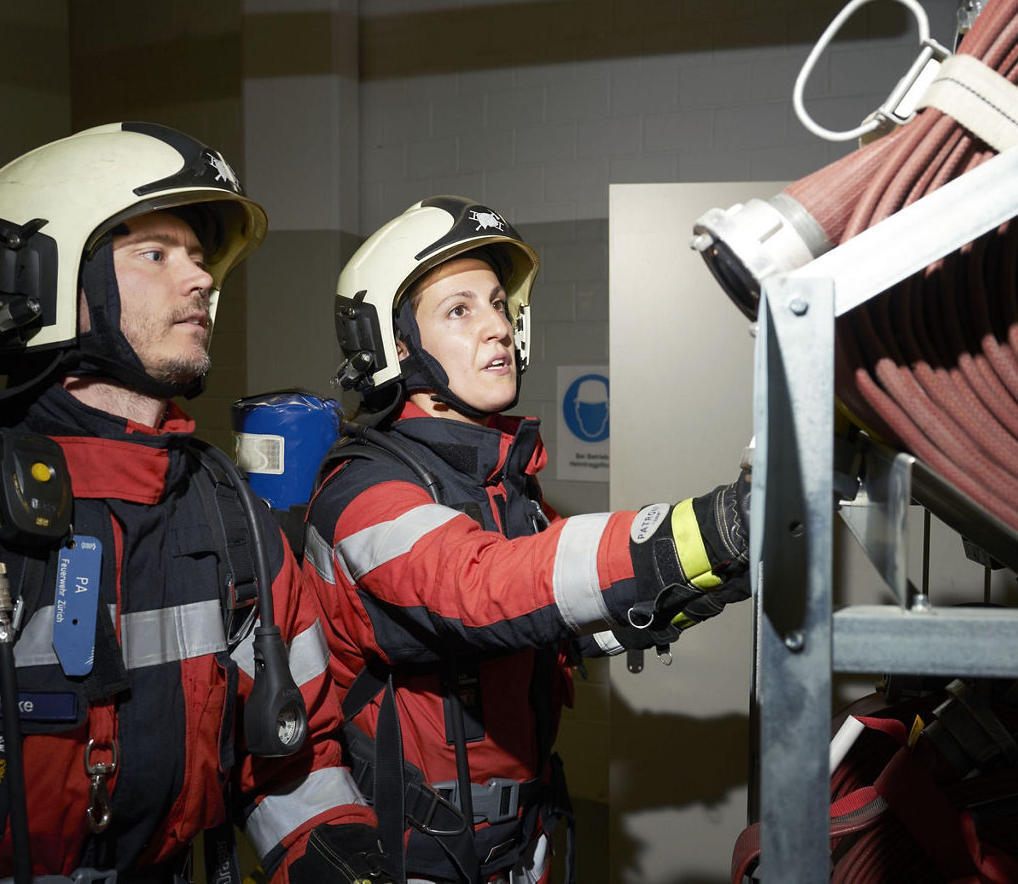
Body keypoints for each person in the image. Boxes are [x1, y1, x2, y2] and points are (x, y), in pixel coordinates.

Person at [0, 123, 395, 883]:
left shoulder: (235, 518)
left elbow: (293, 756)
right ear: (45, 279)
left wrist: (336, 848)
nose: (199, 279)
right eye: (156, 254)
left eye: (199, 258)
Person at [305, 195, 751, 883]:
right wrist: (701, 531)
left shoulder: (501, 485)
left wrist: (698, 582)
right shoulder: (363, 491)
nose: (499, 327)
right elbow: (478, 587)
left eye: (496, 303)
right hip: (417, 855)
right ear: (394, 348)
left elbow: (544, 632)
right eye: (460, 310)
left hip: (522, 841)